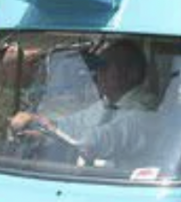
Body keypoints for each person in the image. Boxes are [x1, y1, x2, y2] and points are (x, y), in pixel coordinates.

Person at [9, 39, 154, 162]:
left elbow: (100, 140)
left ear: (131, 73)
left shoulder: (145, 111)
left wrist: (48, 129)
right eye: (98, 68)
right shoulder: (107, 105)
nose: (97, 74)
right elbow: (72, 124)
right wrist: (40, 128)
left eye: (105, 67)